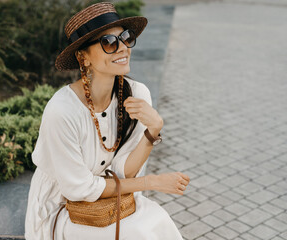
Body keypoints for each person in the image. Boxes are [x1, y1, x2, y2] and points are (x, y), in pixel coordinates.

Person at [24, 2, 190, 240]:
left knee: (158, 221)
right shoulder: (62, 111)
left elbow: (124, 171)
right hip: (63, 206)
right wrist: (151, 182)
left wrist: (153, 131)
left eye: (125, 38)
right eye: (109, 43)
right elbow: (80, 189)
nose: (123, 48)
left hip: (111, 199)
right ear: (84, 57)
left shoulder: (137, 95)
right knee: (137, 234)